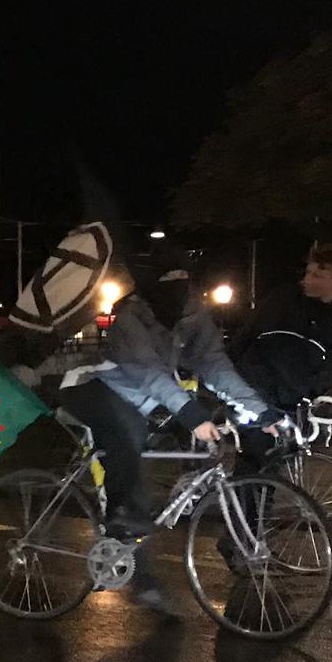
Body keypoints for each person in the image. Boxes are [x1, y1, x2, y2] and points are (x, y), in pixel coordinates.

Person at [58, 247, 286, 606]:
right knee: (130, 440)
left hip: (146, 399)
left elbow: (214, 365)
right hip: (95, 389)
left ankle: (145, 545)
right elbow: (149, 373)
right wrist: (192, 417)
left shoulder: (192, 315)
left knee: (184, 448)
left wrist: (260, 411)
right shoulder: (130, 316)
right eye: (168, 279)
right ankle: (121, 523)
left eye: (184, 279)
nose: (178, 287)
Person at [233, 243, 332, 461]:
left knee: (281, 459)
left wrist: (314, 389)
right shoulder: (281, 299)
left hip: (296, 399)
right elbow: (246, 336)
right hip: (258, 390)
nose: (307, 280)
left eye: (317, 275)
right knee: (254, 457)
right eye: (308, 272)